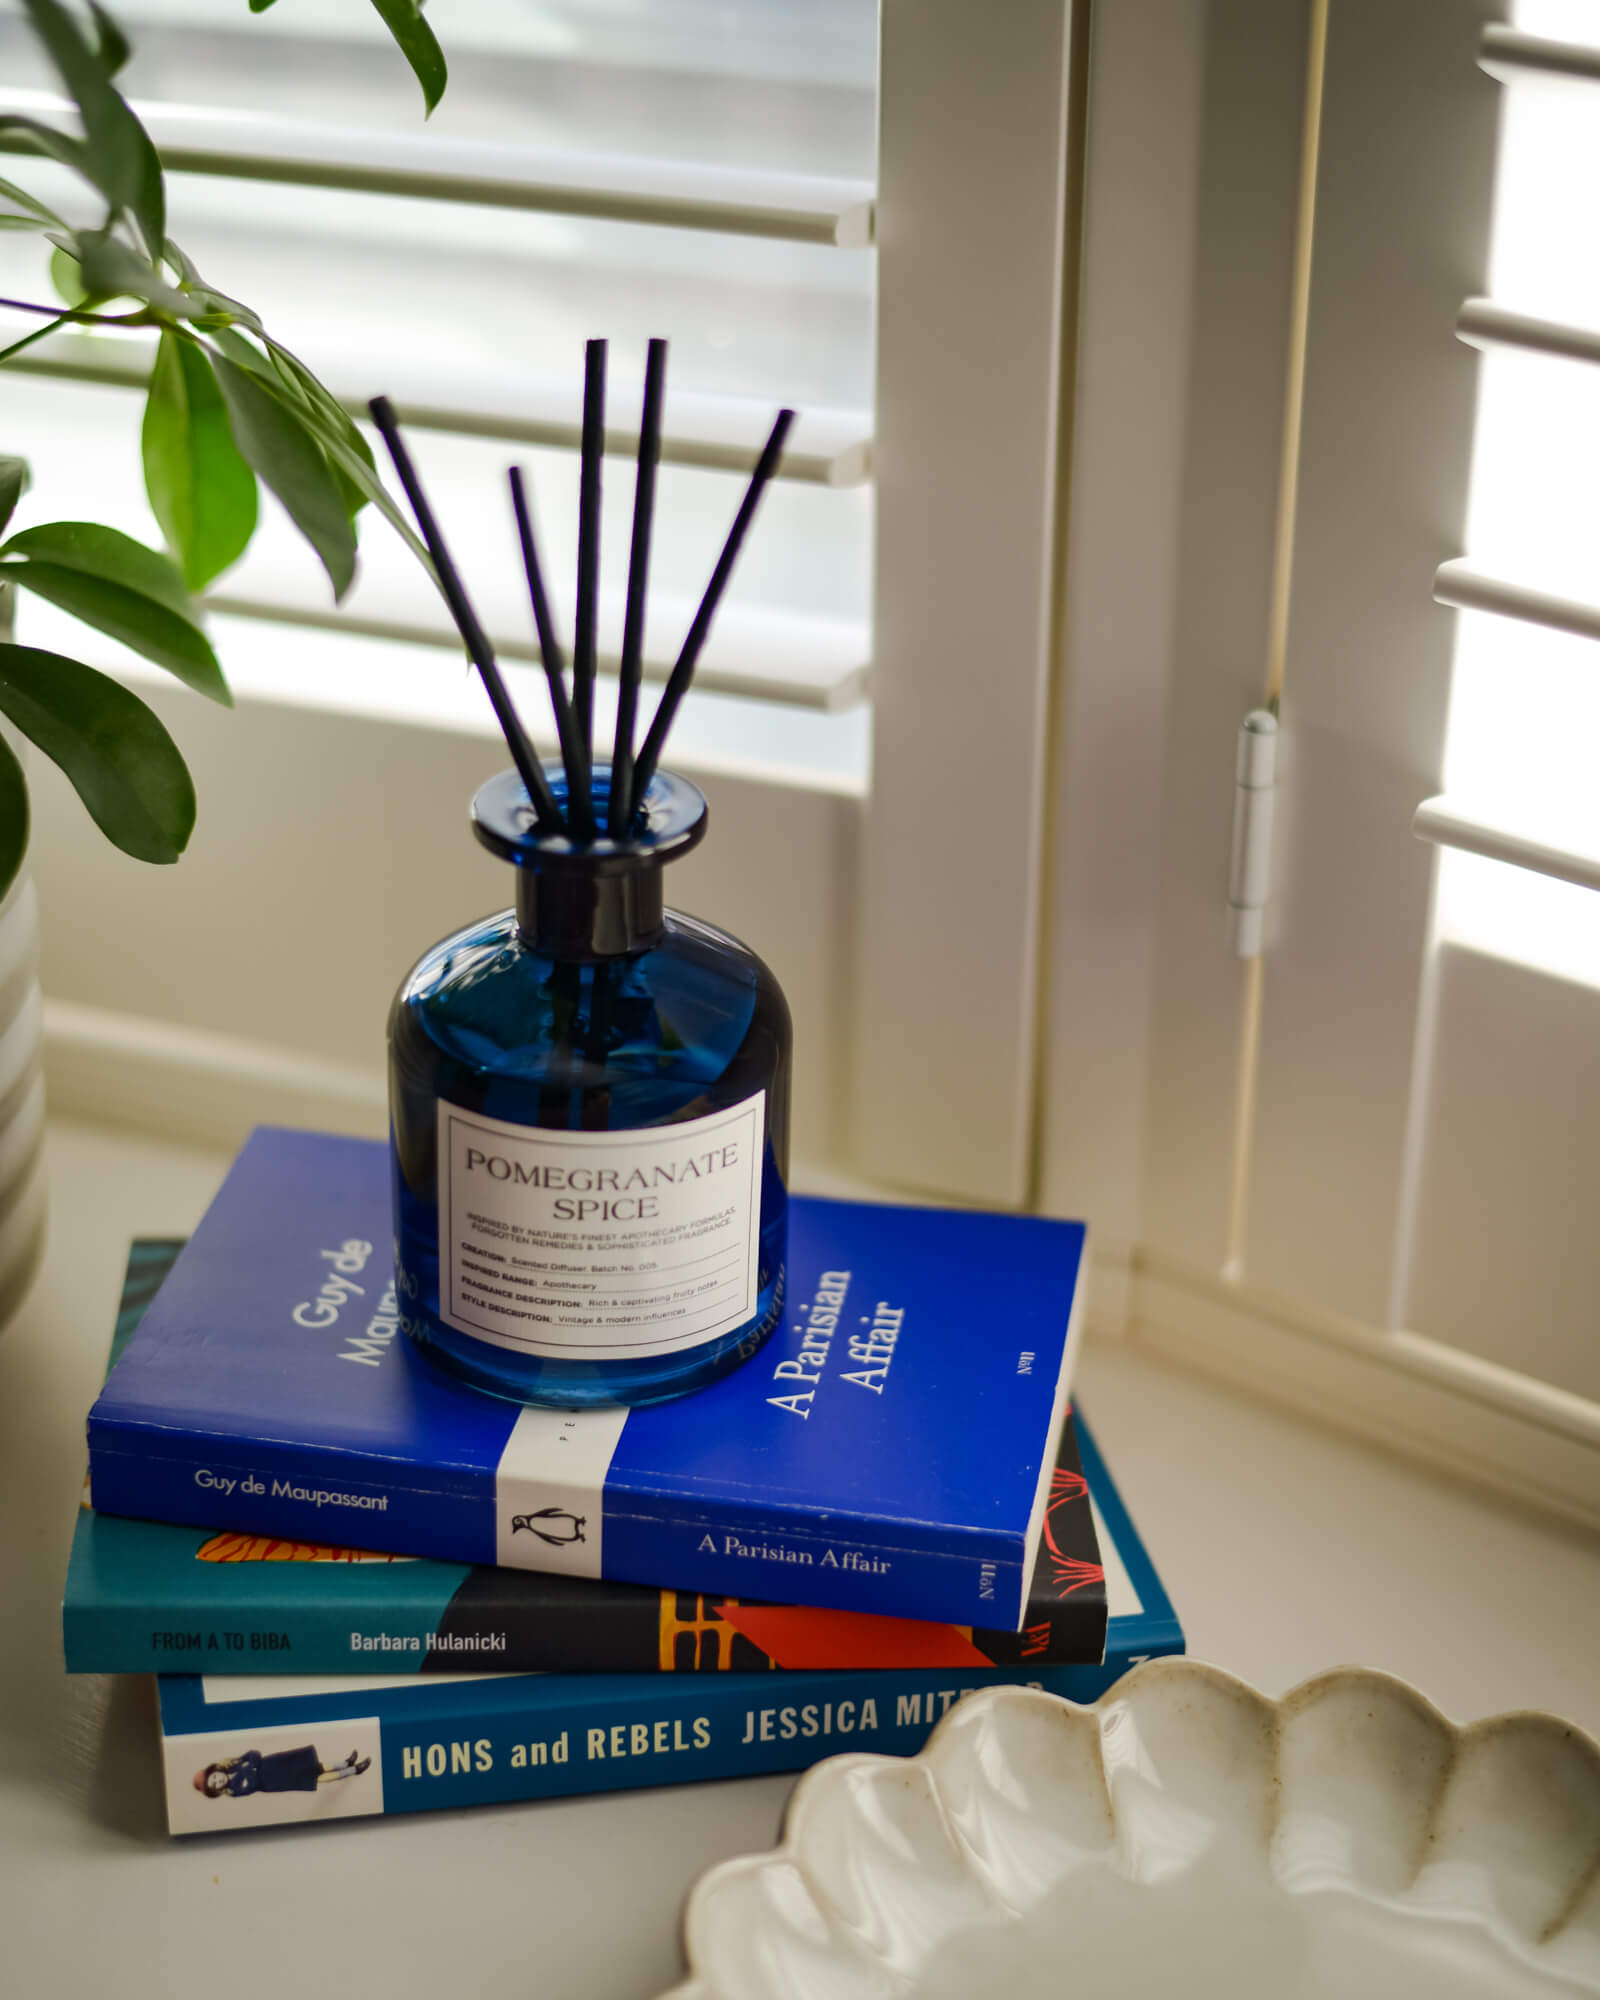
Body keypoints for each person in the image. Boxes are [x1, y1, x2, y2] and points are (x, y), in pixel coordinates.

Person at [193, 1747, 371, 1798]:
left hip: (275, 1763)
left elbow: (254, 1754)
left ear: (215, 1771)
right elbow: (252, 1786)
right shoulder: (233, 1790)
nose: (218, 1780)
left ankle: (346, 1763)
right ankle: (353, 1770)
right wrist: (251, 1768)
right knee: (315, 1778)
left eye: (214, 1777)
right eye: (215, 1784)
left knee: (315, 1765)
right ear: (217, 1790)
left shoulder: (233, 1765)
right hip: (275, 1780)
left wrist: (249, 1768)